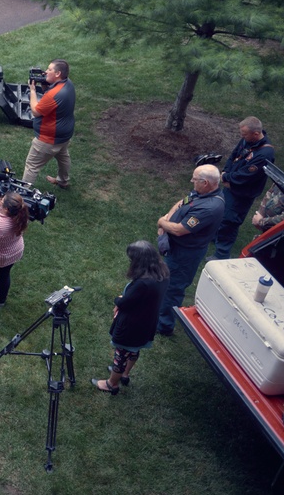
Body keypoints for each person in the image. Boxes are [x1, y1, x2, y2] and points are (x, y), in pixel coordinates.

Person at [155, 164, 225, 336]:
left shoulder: (209, 208)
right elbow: (182, 203)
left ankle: (164, 325)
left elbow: (180, 230)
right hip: (177, 249)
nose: (191, 181)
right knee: (166, 281)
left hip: (184, 255)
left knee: (173, 288)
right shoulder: (202, 193)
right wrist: (167, 218)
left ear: (206, 182)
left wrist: (162, 222)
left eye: (194, 179)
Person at [92, 241, 169, 394]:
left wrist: (118, 299)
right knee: (134, 351)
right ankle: (125, 374)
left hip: (131, 326)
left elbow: (124, 302)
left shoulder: (142, 283)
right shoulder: (163, 273)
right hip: (147, 323)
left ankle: (111, 384)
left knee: (120, 354)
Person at [212, 116, 275, 258]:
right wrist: (225, 172)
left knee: (230, 221)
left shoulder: (265, 154)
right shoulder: (248, 140)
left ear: (256, 134)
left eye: (244, 134)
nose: (242, 137)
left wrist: (226, 178)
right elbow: (234, 155)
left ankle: (221, 254)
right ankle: (214, 236)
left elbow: (246, 175)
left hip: (242, 194)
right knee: (221, 213)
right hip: (231, 186)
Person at [21, 59, 75, 186]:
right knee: (63, 156)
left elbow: (35, 111)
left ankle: (22, 196)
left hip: (48, 139)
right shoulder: (68, 84)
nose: (45, 72)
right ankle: (63, 181)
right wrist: (45, 85)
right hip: (65, 134)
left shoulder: (54, 94)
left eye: (49, 70)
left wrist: (33, 90)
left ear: (58, 74)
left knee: (32, 165)